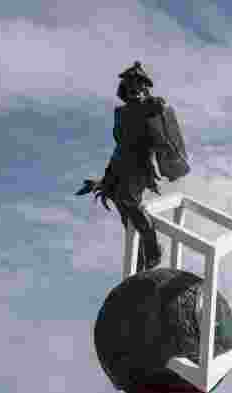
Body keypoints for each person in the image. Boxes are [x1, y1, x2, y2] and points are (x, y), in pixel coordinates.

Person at [77, 61, 191, 272]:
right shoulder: (120, 113)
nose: (133, 88)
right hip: (119, 161)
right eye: (130, 84)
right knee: (123, 209)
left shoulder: (148, 106)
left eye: (138, 84)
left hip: (140, 163)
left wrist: (155, 103)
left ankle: (153, 248)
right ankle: (140, 257)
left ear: (144, 87)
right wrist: (103, 180)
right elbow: (120, 143)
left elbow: (159, 108)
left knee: (129, 199)